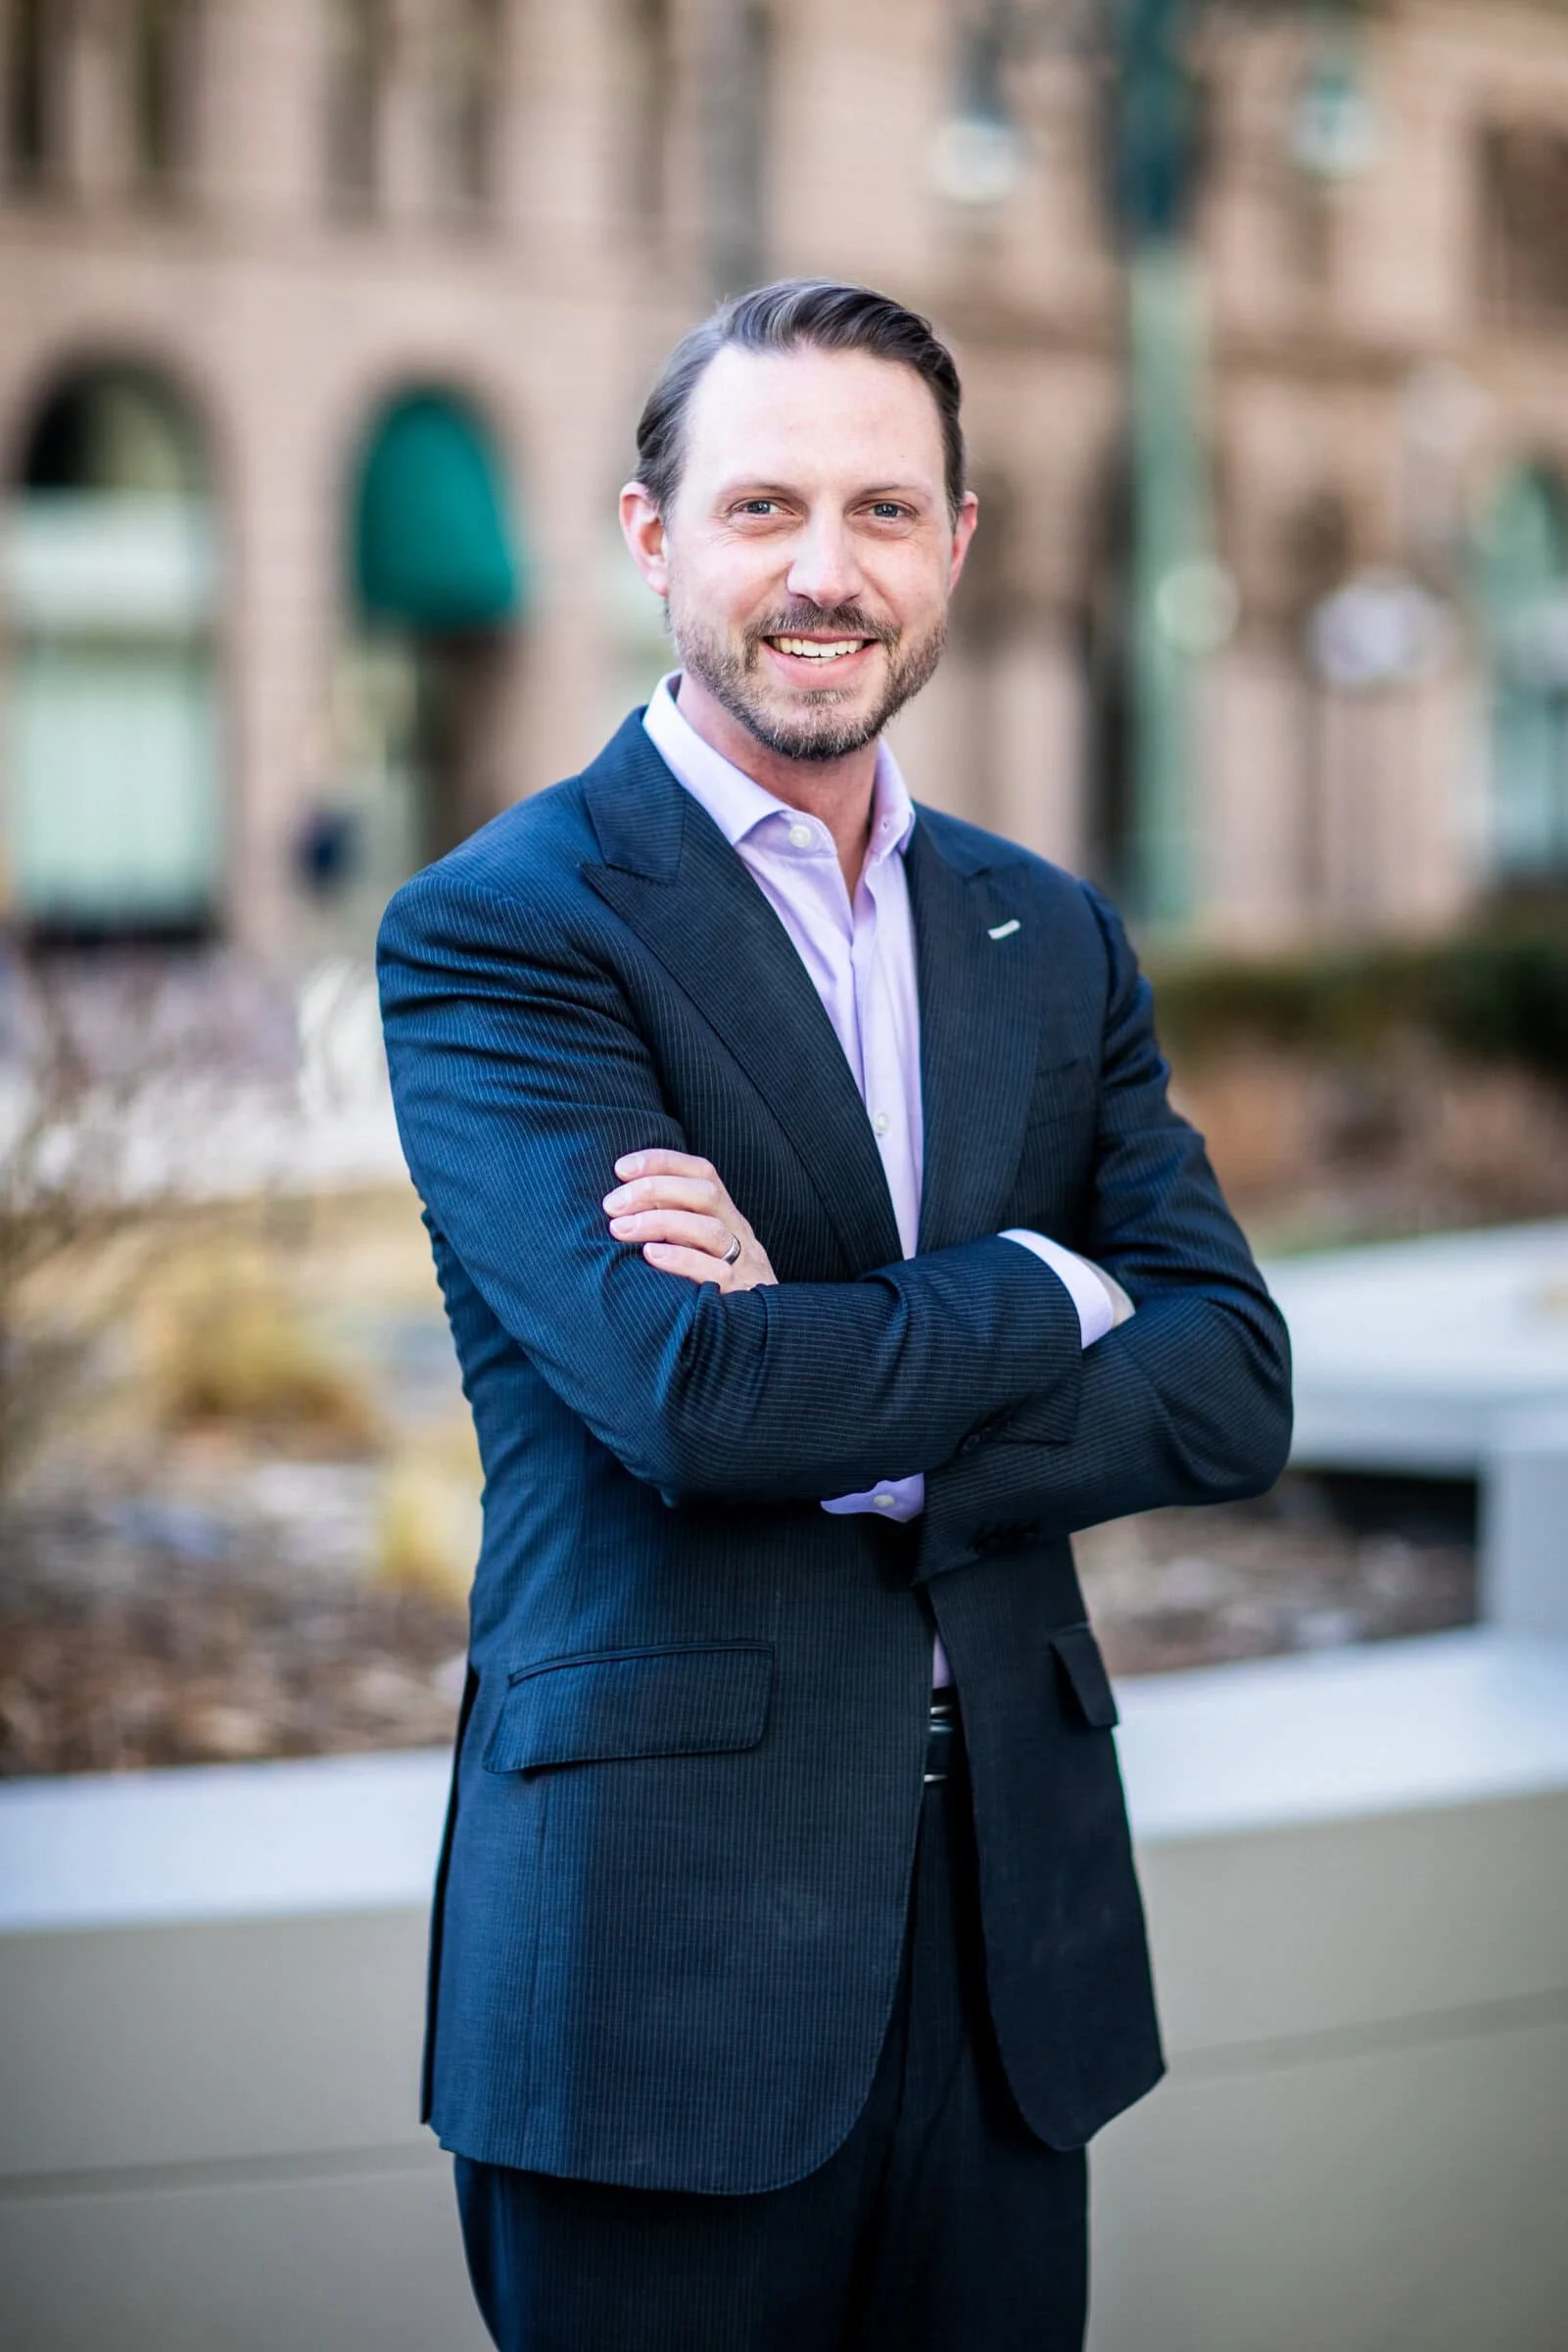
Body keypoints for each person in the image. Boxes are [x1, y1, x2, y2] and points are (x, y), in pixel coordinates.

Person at [377, 277, 1292, 2352]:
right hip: (656, 1977)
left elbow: (1232, 1381)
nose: (821, 571)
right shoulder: (507, 931)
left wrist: (842, 1371)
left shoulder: (1044, 938)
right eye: (762, 506)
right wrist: (1047, 1289)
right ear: (650, 539)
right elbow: (690, 1399)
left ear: (956, 544)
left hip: (1010, 1968)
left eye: (883, 512)